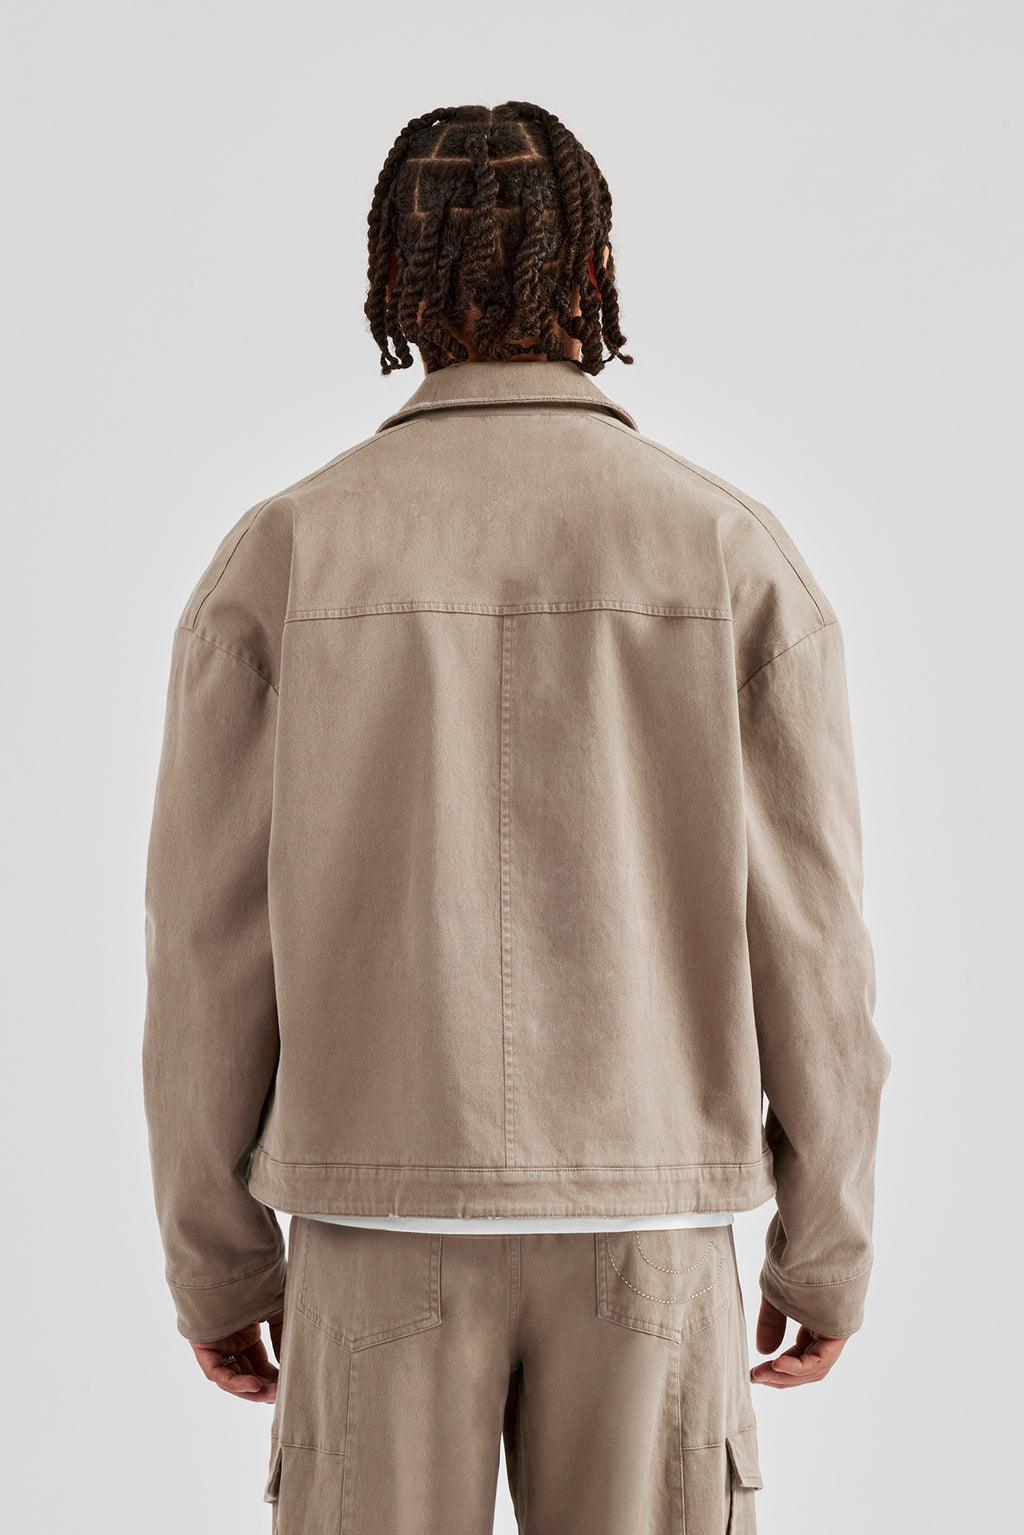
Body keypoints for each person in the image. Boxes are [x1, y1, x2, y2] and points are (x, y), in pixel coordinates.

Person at [141, 100, 892, 1534]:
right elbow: (814, 938)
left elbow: (204, 943)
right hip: (650, 1230)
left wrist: (216, 1255)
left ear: (392, 282)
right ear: (592, 267)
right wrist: (827, 1243)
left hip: (373, 1226)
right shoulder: (726, 550)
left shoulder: (286, 553)